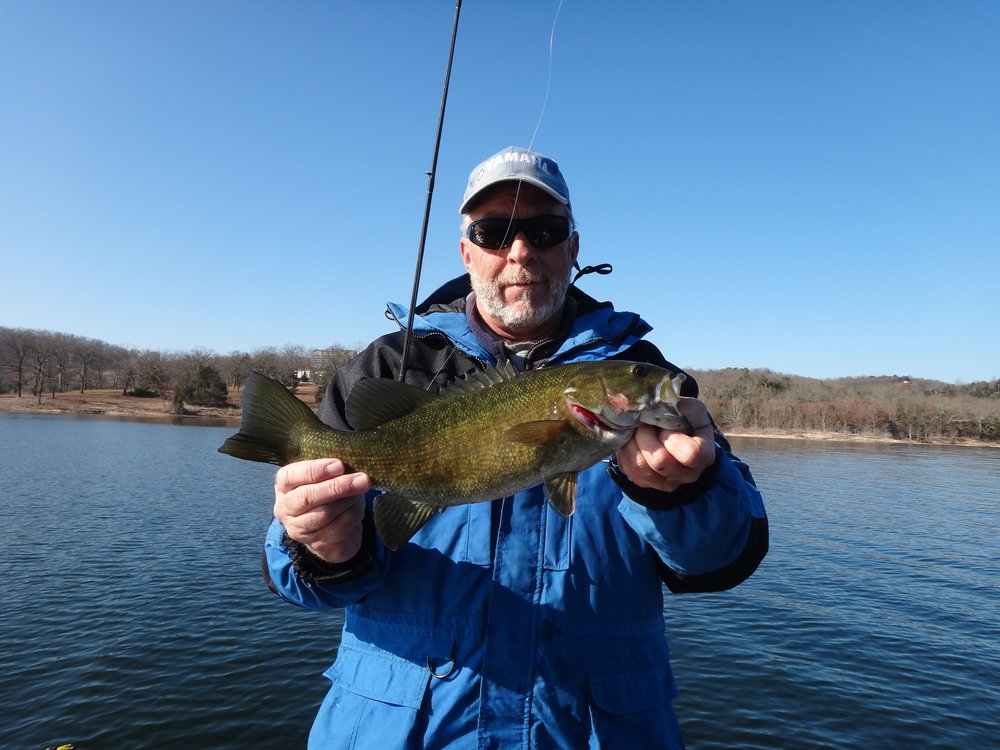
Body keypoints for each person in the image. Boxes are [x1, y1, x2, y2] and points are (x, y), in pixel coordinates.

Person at [264, 146, 768, 749]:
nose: (521, 251)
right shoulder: (388, 366)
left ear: (573, 249)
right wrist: (321, 549)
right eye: (495, 231)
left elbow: (725, 557)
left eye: (544, 230)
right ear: (466, 251)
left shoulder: (655, 381)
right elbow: (297, 577)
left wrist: (686, 496)